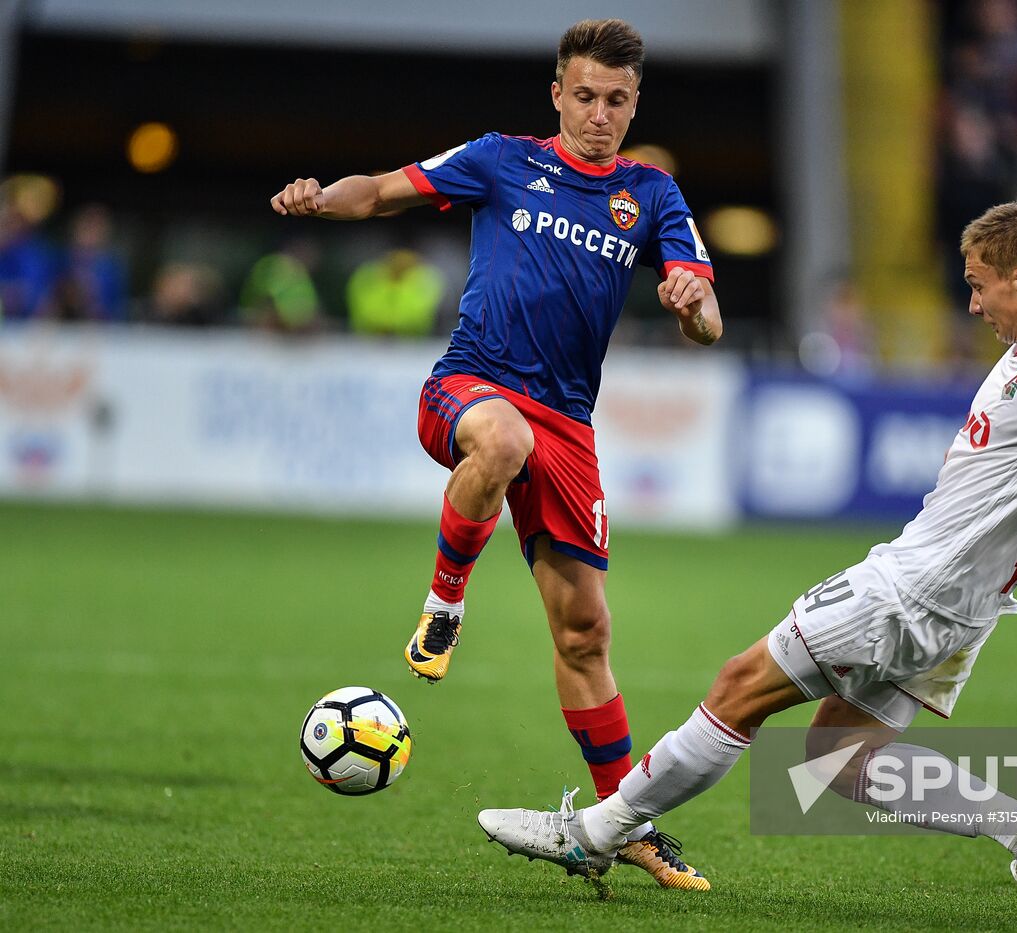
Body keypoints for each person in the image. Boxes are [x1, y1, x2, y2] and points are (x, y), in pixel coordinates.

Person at [477, 202, 1017, 921]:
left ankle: (593, 831)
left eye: (983, 286)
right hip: (967, 605)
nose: (973, 304)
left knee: (738, 687)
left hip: (915, 586)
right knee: (839, 756)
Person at [270, 19, 721, 890]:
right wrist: (321, 197)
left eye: (616, 100)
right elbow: (384, 191)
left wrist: (689, 301)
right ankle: (444, 602)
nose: (599, 114)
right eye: (584, 96)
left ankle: (625, 818)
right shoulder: (501, 158)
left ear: (634, 104)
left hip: (568, 428)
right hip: (470, 389)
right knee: (503, 439)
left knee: (586, 632)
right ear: (557, 93)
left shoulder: (651, 194)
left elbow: (707, 316)